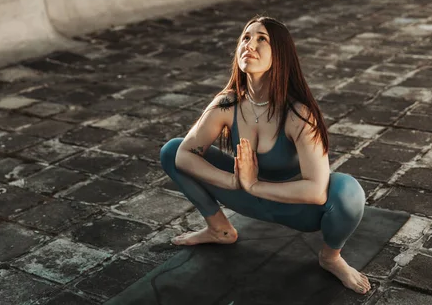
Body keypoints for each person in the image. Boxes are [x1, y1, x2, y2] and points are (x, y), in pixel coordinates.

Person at [159, 16, 371, 294]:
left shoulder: (299, 114)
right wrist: (234, 183)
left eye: (262, 39)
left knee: (348, 192)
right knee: (172, 149)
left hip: (295, 209)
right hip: (244, 196)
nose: (250, 44)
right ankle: (220, 230)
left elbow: (318, 191)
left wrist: (255, 185)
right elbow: (184, 155)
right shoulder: (227, 103)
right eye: (246, 38)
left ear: (280, 54)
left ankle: (330, 258)